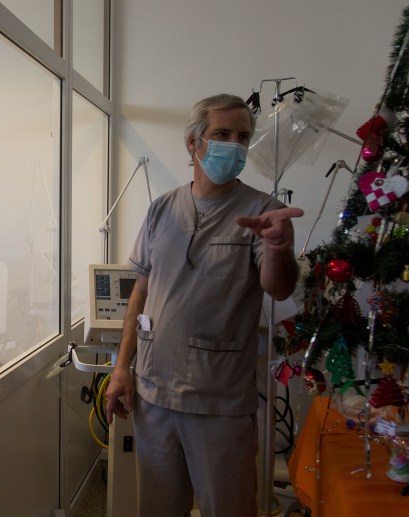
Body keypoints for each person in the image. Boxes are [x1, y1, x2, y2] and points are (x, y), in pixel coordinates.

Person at [104, 94, 303, 517]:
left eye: (242, 137)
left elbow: (278, 287)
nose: (234, 145)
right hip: (154, 393)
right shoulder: (162, 209)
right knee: (157, 509)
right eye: (222, 134)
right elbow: (141, 291)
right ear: (193, 143)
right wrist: (122, 368)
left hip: (219, 402)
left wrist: (278, 249)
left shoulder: (262, 212)